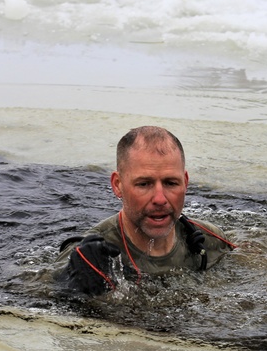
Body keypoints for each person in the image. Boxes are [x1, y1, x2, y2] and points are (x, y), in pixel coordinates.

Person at [57, 126, 235, 295]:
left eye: (171, 183)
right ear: (118, 185)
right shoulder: (88, 258)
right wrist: (72, 286)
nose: (160, 199)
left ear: (185, 182)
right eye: (144, 184)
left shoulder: (212, 241)